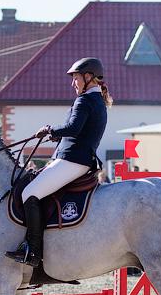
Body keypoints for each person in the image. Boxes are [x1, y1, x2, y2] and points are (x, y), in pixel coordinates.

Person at [6, 57, 111, 267]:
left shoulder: (85, 100)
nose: (73, 83)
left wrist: (50, 130)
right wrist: (57, 136)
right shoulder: (96, 100)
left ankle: (33, 251)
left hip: (73, 160)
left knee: (29, 193)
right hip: (77, 159)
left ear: (89, 77)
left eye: (76, 78)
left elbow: (73, 128)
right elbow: (79, 131)